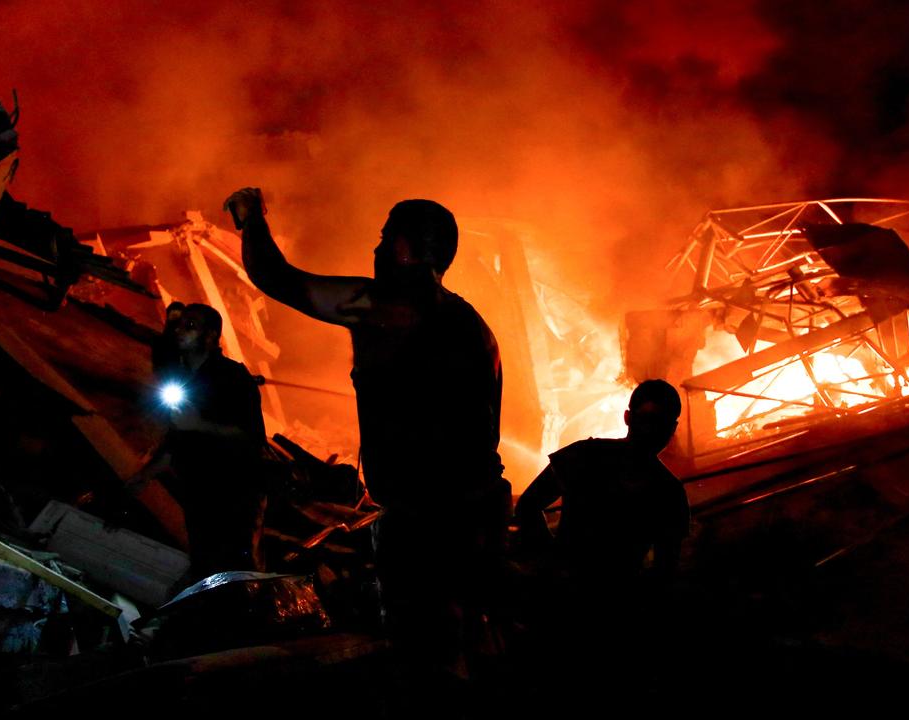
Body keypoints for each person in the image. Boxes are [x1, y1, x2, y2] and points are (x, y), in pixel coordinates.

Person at [226, 187, 509, 705]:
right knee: (474, 636)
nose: (375, 250)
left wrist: (250, 218)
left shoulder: (391, 309)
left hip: (428, 521)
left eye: (383, 239)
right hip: (476, 511)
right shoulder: (475, 326)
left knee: (427, 652)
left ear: (405, 248)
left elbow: (278, 279)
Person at [512, 380, 690, 709]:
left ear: (672, 428)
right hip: (575, 607)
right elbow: (527, 505)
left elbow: (665, 573)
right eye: (647, 420)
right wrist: (553, 562)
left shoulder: (667, 492)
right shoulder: (588, 456)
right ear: (628, 417)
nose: (653, 431)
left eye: (661, 423)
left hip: (611, 616)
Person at [131, 303, 267, 581]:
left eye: (190, 326)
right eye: (180, 325)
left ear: (210, 335)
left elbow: (251, 438)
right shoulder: (182, 379)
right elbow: (178, 438)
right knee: (203, 561)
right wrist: (144, 476)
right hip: (199, 489)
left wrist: (200, 425)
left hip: (235, 492)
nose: (180, 331)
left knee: (235, 570)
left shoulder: (233, 378)